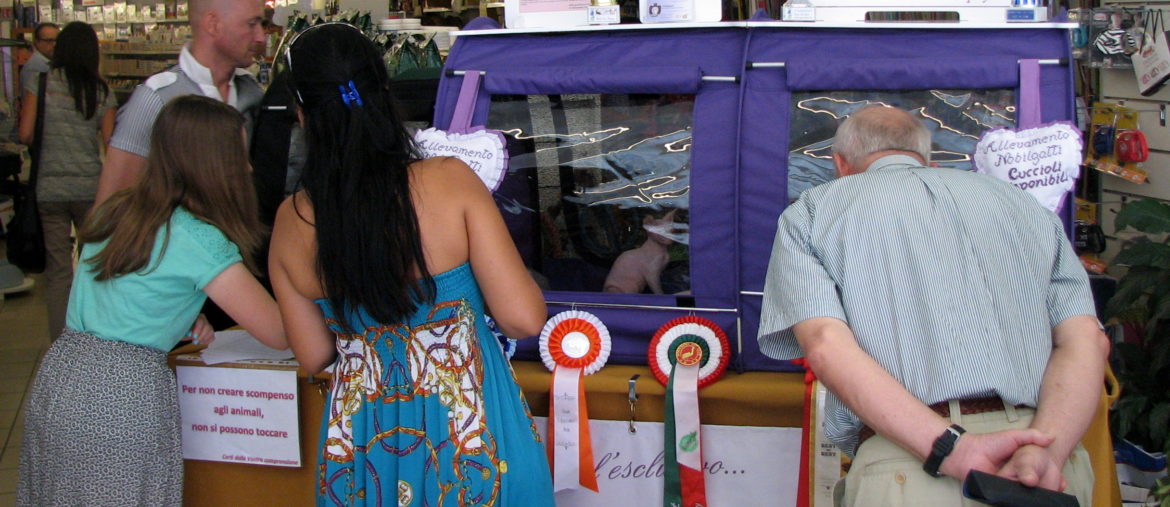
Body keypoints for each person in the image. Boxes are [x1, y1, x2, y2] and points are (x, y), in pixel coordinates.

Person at [757, 105, 1109, 506]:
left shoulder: (812, 212)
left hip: (913, 465)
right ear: (927, 158)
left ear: (840, 163)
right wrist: (1048, 452)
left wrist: (953, 450)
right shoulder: (1025, 206)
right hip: (1046, 463)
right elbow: (1087, 340)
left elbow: (825, 344)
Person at [268, 23, 554, 506]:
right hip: (472, 438)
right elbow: (523, 318)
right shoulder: (449, 181)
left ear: (301, 114)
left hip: (364, 448)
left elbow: (313, 354)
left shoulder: (291, 221)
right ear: (385, 90)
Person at [17, 95, 287, 506]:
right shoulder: (199, 239)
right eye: (238, 156)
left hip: (60, 381)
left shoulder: (117, 209)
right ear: (210, 164)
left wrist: (177, 314)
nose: (248, 168)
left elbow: (123, 292)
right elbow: (278, 332)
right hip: (123, 400)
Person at [95, 0, 266, 204]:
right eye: (251, 24)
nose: (261, 37)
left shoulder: (251, 93)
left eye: (261, 24)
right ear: (213, 24)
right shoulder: (155, 99)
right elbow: (110, 206)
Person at [18, 21, 116, 341]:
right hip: (90, 189)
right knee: (94, 266)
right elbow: (112, 145)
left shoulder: (40, 83)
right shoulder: (101, 91)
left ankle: (62, 343)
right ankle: (95, 335)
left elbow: (25, 133)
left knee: (58, 272)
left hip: (50, 189)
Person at [20, 23, 58, 94]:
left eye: (57, 40)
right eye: (49, 41)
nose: (55, 44)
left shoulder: (49, 63)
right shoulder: (35, 67)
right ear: (37, 42)